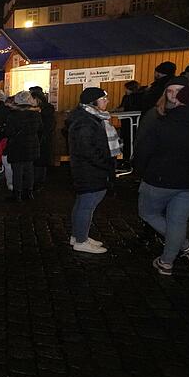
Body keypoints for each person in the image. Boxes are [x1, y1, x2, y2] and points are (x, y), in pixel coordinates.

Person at [134, 85, 189, 275]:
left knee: (148, 213)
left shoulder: (162, 122)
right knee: (177, 221)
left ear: (178, 100)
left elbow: (144, 151)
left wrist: (142, 171)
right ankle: (166, 262)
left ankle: (182, 248)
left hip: (158, 180)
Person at [67, 87, 120, 253]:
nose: (107, 101)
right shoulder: (85, 122)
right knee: (87, 205)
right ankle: (81, 241)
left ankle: (78, 235)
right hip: (90, 170)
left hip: (89, 169)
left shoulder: (92, 118)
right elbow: (87, 150)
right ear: (92, 102)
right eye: (103, 99)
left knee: (83, 203)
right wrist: (105, 163)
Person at [5, 91, 42, 201]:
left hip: (17, 145)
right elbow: (40, 129)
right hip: (31, 144)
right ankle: (29, 192)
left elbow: (9, 131)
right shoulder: (36, 114)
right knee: (29, 169)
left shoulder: (13, 115)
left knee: (17, 171)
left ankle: (17, 194)